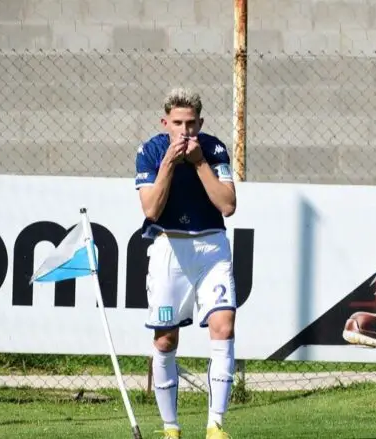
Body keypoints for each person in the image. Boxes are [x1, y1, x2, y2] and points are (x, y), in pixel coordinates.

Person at [135, 88, 238, 439]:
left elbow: (227, 205)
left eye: (191, 124)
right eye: (177, 123)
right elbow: (150, 209)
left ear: (200, 123)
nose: (185, 132)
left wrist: (198, 163)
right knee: (165, 340)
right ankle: (171, 428)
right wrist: (168, 162)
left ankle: (216, 425)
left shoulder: (213, 149)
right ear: (165, 123)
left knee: (223, 327)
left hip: (212, 247)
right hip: (169, 247)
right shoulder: (150, 152)